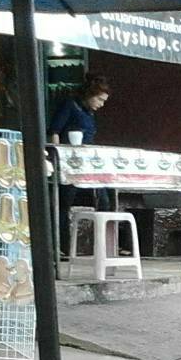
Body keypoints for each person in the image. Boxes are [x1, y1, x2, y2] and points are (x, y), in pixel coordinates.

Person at [50, 75, 112, 256]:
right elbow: (55, 131)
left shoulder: (89, 113)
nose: (101, 104)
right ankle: (61, 247)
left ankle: (104, 246)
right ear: (90, 94)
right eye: (99, 99)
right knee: (64, 203)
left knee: (104, 200)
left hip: (89, 164)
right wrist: (58, 157)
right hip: (70, 163)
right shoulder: (70, 105)